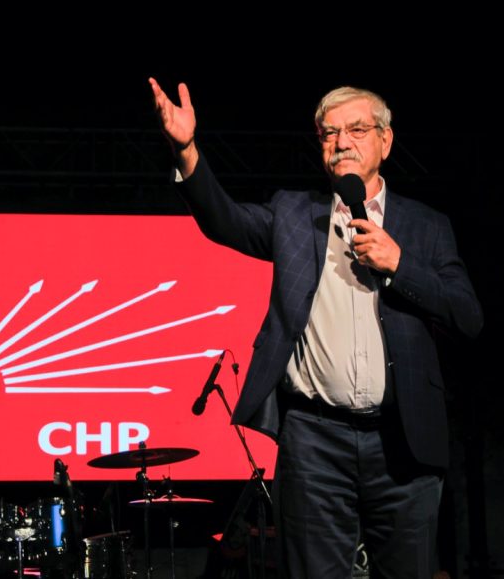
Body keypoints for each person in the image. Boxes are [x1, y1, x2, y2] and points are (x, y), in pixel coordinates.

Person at [149, 78, 483, 579]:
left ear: (386, 141)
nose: (342, 141)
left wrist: (400, 265)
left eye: (357, 130)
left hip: (403, 439)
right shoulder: (294, 214)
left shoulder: (426, 226)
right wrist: (187, 150)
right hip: (314, 439)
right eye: (330, 133)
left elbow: (468, 317)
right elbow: (224, 221)